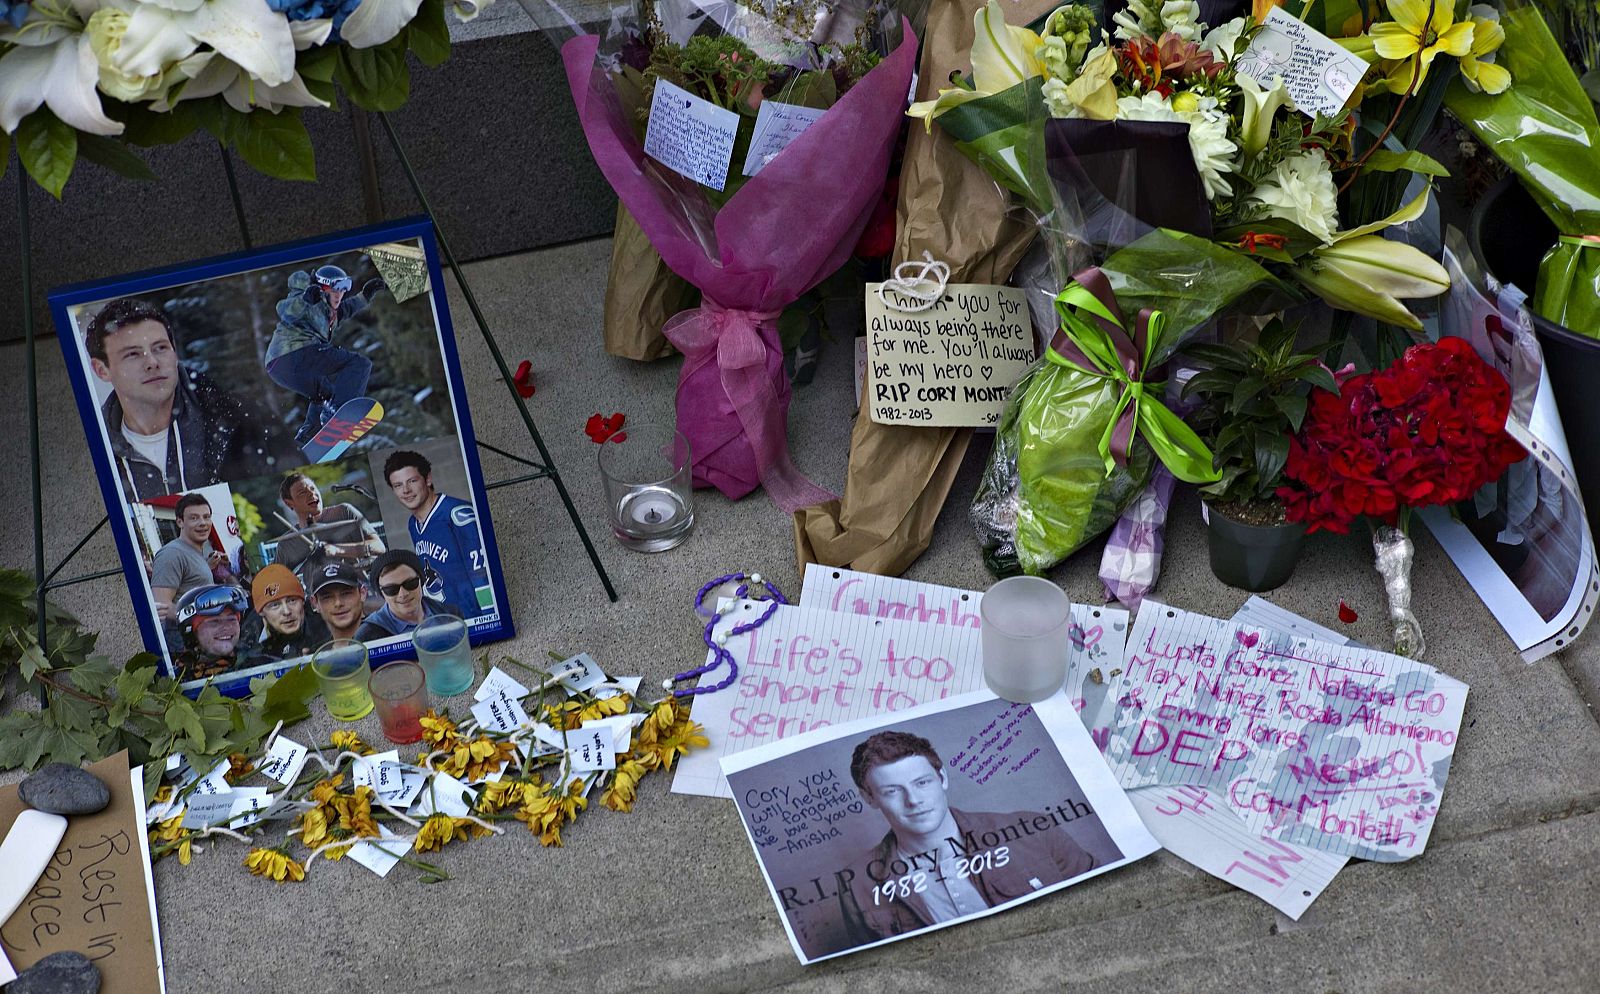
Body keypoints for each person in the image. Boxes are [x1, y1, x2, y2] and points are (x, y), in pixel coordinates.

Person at [836, 731, 1096, 944]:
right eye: (892, 791)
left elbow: (1095, 902)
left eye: (923, 783)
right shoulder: (856, 885)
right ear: (869, 798)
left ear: (943, 778)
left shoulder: (1033, 828)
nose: (913, 801)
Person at [85, 297, 280, 499]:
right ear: (102, 370)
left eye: (160, 348)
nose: (152, 362)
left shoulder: (242, 419)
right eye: (133, 354)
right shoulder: (98, 455)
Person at [265, 265, 386, 447]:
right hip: (295, 353)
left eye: (343, 291)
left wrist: (365, 295)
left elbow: (348, 307)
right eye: (334, 291)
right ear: (323, 289)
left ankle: (306, 440)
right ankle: (338, 417)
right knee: (359, 364)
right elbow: (285, 309)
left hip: (278, 368)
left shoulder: (331, 311)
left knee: (324, 394)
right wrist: (306, 300)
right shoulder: (310, 299)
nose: (339, 296)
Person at [383, 451, 491, 618]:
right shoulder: (413, 524)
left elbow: (482, 572)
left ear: (428, 479)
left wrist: (489, 616)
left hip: (473, 615)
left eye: (412, 481)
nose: (406, 490)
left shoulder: (456, 514)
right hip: (447, 616)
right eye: (398, 485)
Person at [271, 471, 384, 578]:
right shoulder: (286, 544)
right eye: (303, 493)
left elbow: (379, 547)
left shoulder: (344, 512)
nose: (311, 493)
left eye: (312, 488)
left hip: (357, 589)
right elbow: (279, 582)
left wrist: (337, 550)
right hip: (316, 596)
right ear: (289, 503)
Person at [151, 493, 227, 623]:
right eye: (194, 518)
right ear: (180, 522)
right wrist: (201, 620)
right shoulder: (171, 553)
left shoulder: (195, 552)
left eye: (206, 517)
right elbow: (161, 606)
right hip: (183, 639)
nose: (203, 523)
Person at [355, 549, 461, 641]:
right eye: (391, 589)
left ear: (421, 581)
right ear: (381, 593)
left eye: (410, 583)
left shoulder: (451, 614)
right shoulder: (367, 636)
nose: (403, 594)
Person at [250, 563, 330, 663]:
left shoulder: (329, 631)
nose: (287, 611)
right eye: (275, 605)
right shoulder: (252, 648)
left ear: (303, 601)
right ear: (261, 611)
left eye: (292, 600)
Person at [171, 583, 250, 682]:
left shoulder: (256, 663)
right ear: (191, 631)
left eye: (232, 619)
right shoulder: (176, 678)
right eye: (214, 622)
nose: (226, 627)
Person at [308, 559, 370, 642]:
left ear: (362, 593)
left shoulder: (388, 635)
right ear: (315, 603)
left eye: (346, 593)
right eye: (327, 597)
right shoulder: (316, 653)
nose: (338, 603)